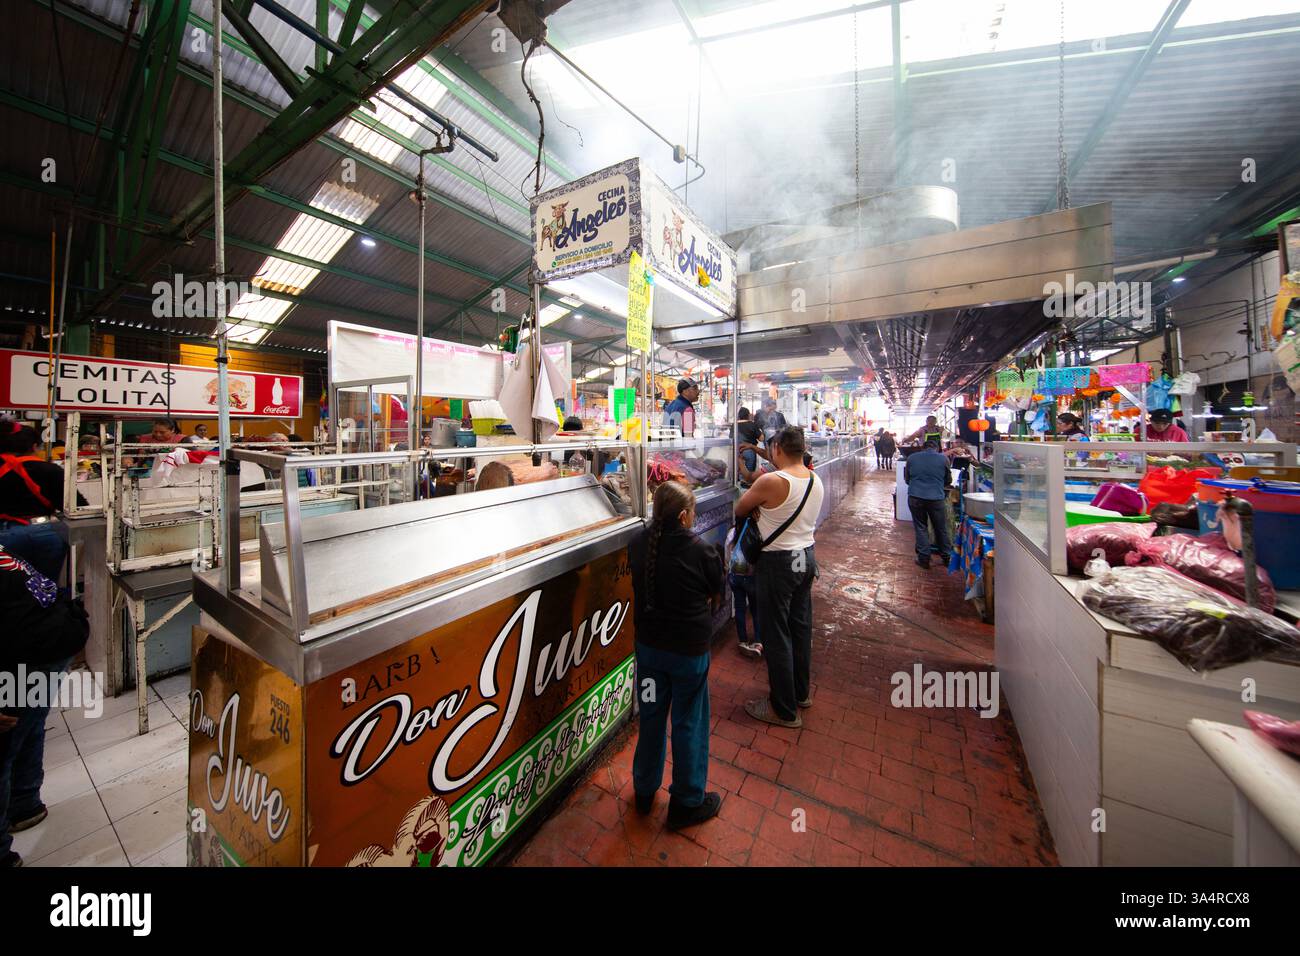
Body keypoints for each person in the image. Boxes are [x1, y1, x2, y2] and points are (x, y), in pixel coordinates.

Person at [628, 481, 724, 829]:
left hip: (651, 654)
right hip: (687, 658)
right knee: (688, 722)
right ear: (684, 516)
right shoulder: (701, 551)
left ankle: (643, 789)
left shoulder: (638, 544)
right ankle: (686, 802)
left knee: (652, 717)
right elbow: (717, 592)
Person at [0, 544, 90, 867]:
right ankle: (25, 802)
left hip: (42, 638)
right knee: (29, 717)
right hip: (59, 625)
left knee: (5, 737)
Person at [736, 426, 824, 729]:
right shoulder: (815, 478)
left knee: (776, 633)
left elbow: (740, 507)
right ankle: (800, 694)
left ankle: (783, 710)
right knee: (800, 627)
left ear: (779, 450)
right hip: (805, 558)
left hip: (779, 562)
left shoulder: (773, 480)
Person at [0, 421, 73, 582]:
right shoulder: (50, 470)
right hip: (45, 532)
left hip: (4, 534)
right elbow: (73, 506)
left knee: (8, 590)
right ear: (34, 447)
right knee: (44, 587)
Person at [905, 439, 953, 569]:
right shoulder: (943, 459)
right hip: (936, 498)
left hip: (915, 497)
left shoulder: (912, 458)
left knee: (921, 527)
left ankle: (924, 558)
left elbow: (907, 479)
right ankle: (947, 557)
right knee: (940, 528)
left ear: (922, 448)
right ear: (937, 448)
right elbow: (948, 480)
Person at [725, 523, 761, 659]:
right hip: (752, 577)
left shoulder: (732, 532)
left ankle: (743, 640)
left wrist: (728, 566)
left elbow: (727, 555)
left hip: (735, 576)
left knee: (739, 608)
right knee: (755, 609)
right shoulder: (757, 531)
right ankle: (758, 641)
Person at [735, 407, 762, 476]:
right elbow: (761, 438)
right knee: (749, 475)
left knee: (738, 473)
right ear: (748, 415)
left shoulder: (734, 425)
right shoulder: (752, 424)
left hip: (736, 451)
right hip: (749, 451)